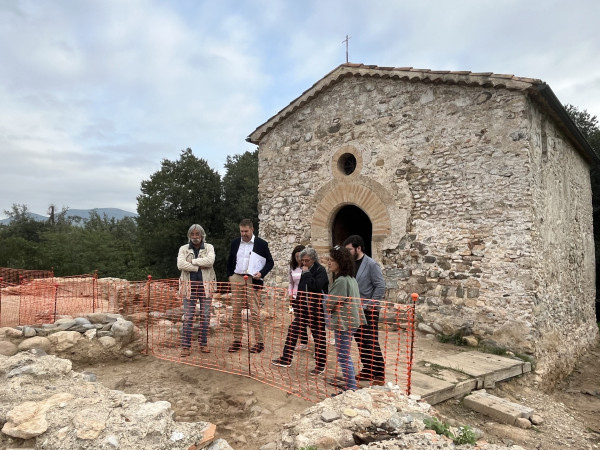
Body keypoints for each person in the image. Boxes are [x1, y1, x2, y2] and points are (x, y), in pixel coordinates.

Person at [272, 247, 328, 373]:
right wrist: (296, 302)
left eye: (306, 260)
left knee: (319, 336)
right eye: (302, 260)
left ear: (313, 259)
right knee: (293, 330)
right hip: (303, 308)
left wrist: (307, 273)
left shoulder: (320, 270)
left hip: (316, 309)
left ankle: (320, 366)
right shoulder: (302, 269)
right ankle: (286, 358)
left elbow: (316, 286)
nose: (303, 263)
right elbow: (301, 288)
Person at [226, 218, 274, 354]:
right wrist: (230, 276)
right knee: (235, 311)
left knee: (254, 312)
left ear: (252, 229)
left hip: (253, 280)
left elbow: (270, 262)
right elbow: (230, 259)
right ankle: (237, 340)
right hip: (237, 278)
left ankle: (259, 342)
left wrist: (262, 273)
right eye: (241, 231)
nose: (243, 234)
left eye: (246, 231)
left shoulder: (261, 244)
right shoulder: (235, 243)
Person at [343, 235, 386, 385]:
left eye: (349, 249)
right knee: (360, 340)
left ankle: (380, 374)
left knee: (371, 340)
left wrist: (370, 304)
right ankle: (368, 370)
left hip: (368, 310)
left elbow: (380, 285)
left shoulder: (371, 264)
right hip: (354, 309)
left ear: (358, 248)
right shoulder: (350, 264)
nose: (347, 252)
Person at [326, 245, 366, 392]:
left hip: (344, 322)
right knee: (345, 355)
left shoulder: (342, 281)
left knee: (343, 357)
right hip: (350, 321)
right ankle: (351, 386)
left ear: (340, 262)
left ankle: (351, 389)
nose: (329, 263)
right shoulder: (350, 279)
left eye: (332, 260)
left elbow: (329, 304)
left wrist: (329, 304)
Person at [177, 224, 216, 357]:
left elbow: (210, 261)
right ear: (189, 236)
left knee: (205, 316)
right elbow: (180, 264)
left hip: (206, 287)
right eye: (192, 234)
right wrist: (198, 267)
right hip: (189, 287)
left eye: (197, 234)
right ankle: (186, 346)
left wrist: (192, 261)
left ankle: (203, 344)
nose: (195, 237)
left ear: (202, 235)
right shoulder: (183, 248)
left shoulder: (209, 247)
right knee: (188, 317)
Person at [288, 245, 310, 351]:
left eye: (300, 256)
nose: (298, 259)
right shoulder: (292, 268)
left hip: (307, 298)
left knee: (312, 322)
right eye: (296, 257)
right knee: (299, 321)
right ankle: (303, 342)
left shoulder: (308, 267)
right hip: (296, 298)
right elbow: (291, 283)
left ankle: (319, 345)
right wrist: (290, 295)